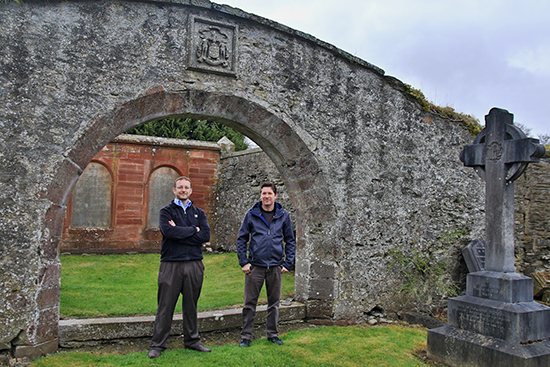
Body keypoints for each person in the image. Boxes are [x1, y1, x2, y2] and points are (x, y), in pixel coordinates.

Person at [149, 176, 211, 359]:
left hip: (194, 263)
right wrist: (194, 230)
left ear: (191, 191)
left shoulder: (199, 212)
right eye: (180, 187)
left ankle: (192, 341)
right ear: (174, 190)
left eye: (186, 187)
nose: (183, 190)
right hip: (171, 264)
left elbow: (205, 235)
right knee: (165, 306)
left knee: (191, 305)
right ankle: (158, 344)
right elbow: (168, 232)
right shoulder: (166, 212)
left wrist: (182, 231)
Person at [237, 182, 296, 347]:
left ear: (275, 195)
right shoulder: (251, 214)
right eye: (263, 193)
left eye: (269, 193)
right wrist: (244, 261)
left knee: (274, 303)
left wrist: (288, 262)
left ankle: (273, 334)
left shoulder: (283, 215)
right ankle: (246, 337)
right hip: (255, 266)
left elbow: (290, 240)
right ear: (261, 195)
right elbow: (242, 239)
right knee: (249, 303)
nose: (266, 196)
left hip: (275, 266)